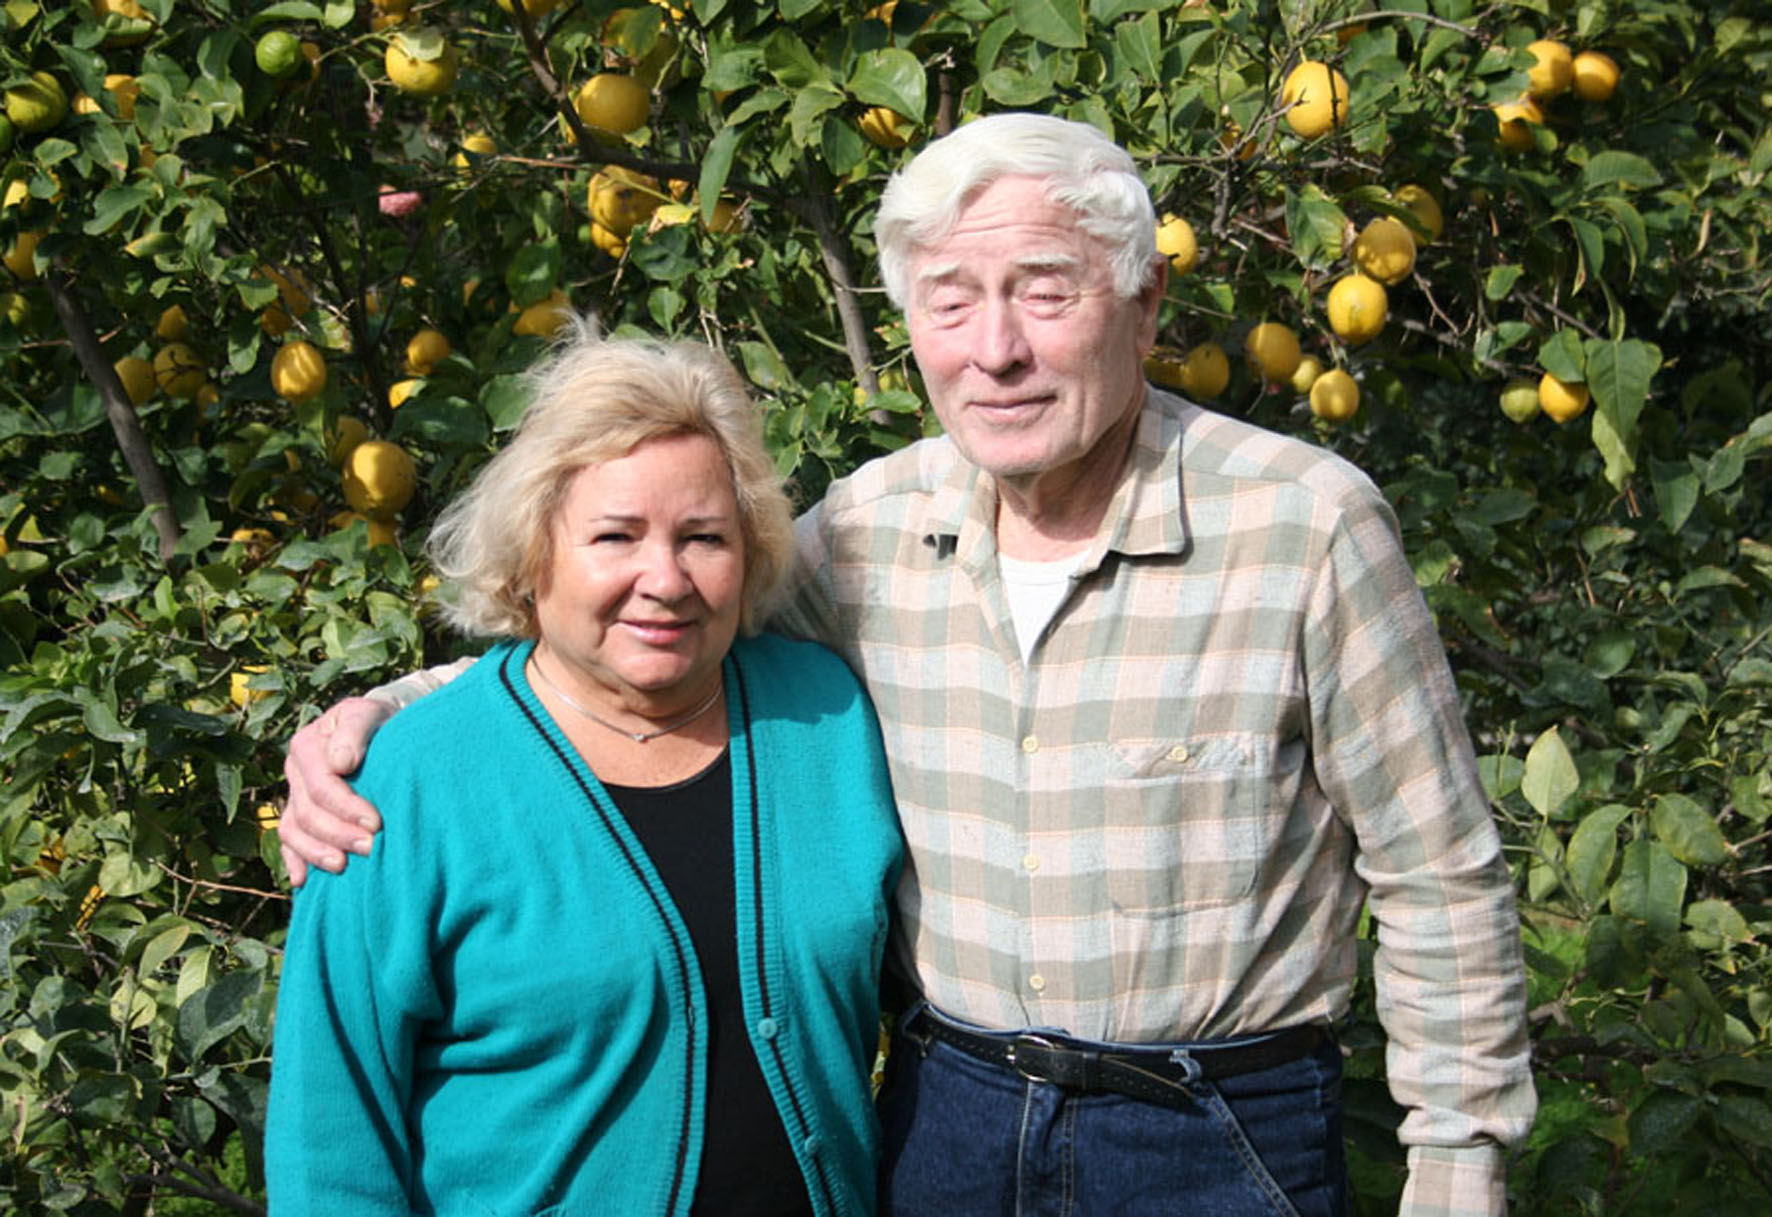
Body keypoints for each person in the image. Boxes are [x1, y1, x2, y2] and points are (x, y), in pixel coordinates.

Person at [279, 114, 1535, 1216]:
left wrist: (1456, 1165)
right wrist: (388, 720)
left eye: (1044, 291)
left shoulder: (1302, 523)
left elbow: (1437, 874)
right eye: (949, 299)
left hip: (1214, 1130)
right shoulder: (874, 532)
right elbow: (640, 644)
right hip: (948, 1121)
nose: (994, 348)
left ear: (1145, 304)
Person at [264, 332, 903, 1217]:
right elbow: (329, 1137)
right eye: (616, 536)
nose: (665, 578)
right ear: (534, 555)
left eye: (703, 536)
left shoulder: (825, 717)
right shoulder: (406, 783)